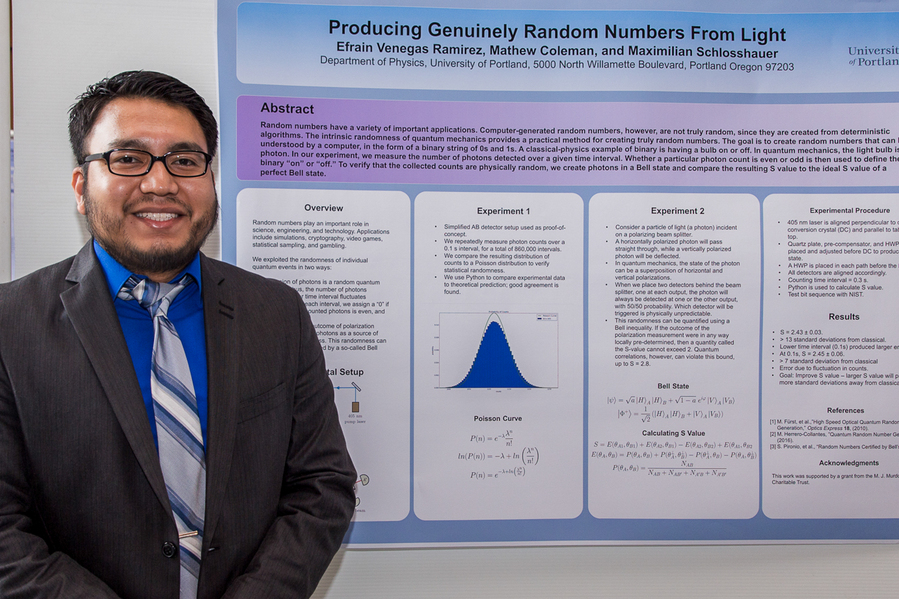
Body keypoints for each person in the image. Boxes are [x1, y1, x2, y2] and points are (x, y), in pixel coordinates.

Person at [0, 71, 356, 599]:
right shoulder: (10, 324)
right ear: (81, 187)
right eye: (127, 159)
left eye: (185, 161)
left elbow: (322, 486)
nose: (160, 182)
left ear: (210, 182)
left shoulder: (276, 312)